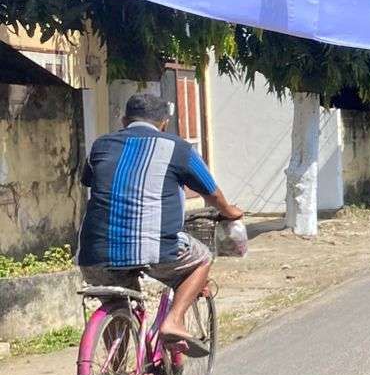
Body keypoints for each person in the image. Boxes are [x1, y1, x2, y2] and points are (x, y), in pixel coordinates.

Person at [78, 93, 245, 355]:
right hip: (156, 249)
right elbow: (211, 193)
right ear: (164, 123)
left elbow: (89, 180)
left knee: (116, 300)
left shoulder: (101, 145)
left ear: (124, 121)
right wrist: (230, 211)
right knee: (201, 259)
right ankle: (174, 320)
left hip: (94, 252)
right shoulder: (178, 148)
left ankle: (116, 371)